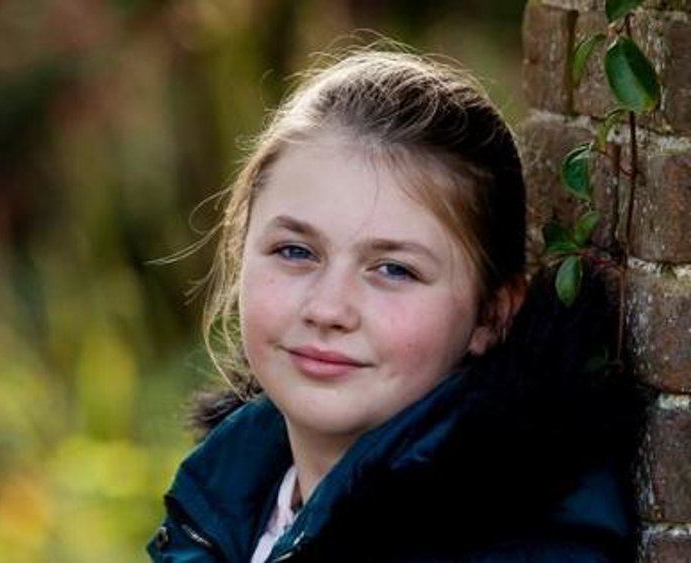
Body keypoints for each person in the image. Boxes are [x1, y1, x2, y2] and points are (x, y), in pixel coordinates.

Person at [147, 46, 647, 562]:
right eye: (295, 252)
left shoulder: (520, 543)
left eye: (394, 269)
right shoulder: (227, 495)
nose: (327, 309)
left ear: (492, 314)